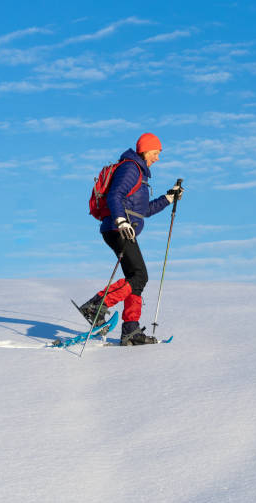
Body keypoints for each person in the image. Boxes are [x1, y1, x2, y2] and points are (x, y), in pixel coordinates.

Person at [79, 133, 183, 345]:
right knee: (139, 275)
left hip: (122, 228)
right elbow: (115, 195)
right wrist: (120, 220)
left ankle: (131, 331)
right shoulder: (130, 168)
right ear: (145, 150)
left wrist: (168, 198)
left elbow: (144, 210)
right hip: (119, 229)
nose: (157, 158)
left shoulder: (140, 174)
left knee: (136, 279)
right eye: (156, 153)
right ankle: (97, 305)